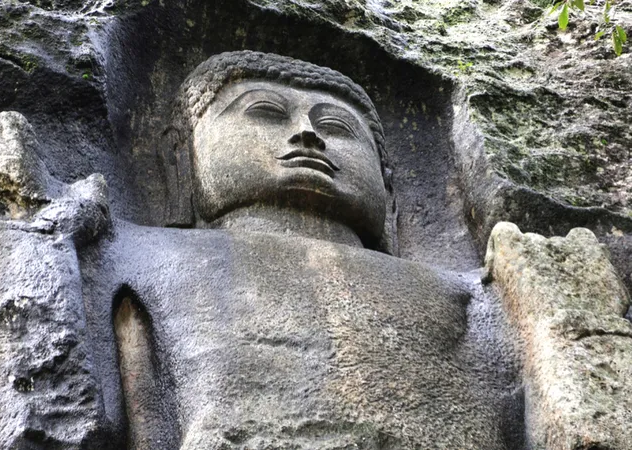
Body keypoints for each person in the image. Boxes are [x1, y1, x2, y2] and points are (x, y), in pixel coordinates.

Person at [83, 51, 520, 449]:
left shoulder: (466, 290)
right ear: (183, 156)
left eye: (337, 127)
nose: (307, 134)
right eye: (267, 113)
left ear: (388, 188)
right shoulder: (146, 254)